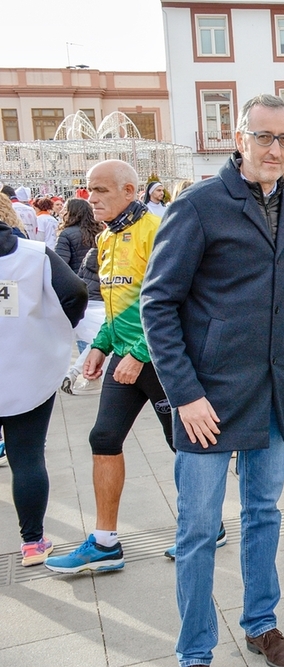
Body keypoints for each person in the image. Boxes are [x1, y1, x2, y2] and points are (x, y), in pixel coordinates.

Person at [141, 93, 284, 667]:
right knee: (199, 530)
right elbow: (157, 304)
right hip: (207, 399)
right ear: (239, 139)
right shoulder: (200, 204)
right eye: (264, 137)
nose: (275, 149)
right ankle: (195, 650)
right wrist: (184, 394)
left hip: (273, 396)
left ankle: (261, 623)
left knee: (263, 515)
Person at [44, 161, 177, 576]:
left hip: (160, 357)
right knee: (103, 437)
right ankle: (105, 543)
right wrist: (100, 347)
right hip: (125, 354)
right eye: (89, 190)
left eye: (101, 190)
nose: (92, 198)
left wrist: (139, 351)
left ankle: (203, 527)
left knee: (186, 448)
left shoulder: (155, 231)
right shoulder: (105, 238)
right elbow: (119, 307)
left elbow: (173, 298)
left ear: (129, 190)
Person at [1, 216, 87, 566]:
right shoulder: (35, 255)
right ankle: (33, 543)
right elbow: (76, 293)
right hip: (27, 371)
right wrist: (55, 324)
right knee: (27, 458)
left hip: (25, 371)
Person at [56, 198, 107, 394]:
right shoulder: (101, 232)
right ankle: (87, 374)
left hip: (82, 291)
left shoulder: (67, 234)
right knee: (99, 338)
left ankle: (86, 375)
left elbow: (60, 264)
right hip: (105, 291)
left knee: (88, 339)